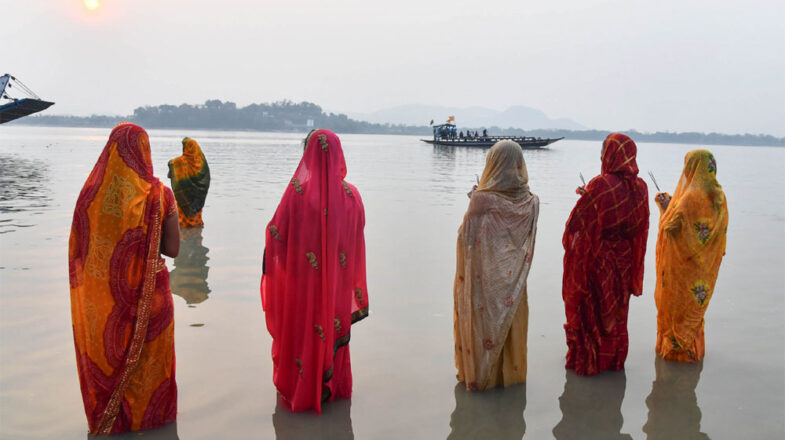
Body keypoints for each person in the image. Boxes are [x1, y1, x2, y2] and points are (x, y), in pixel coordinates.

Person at [68, 122, 180, 434]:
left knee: (110, 369)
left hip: (104, 308)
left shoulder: (90, 194)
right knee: (151, 374)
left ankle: (108, 426)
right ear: (144, 151)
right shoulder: (160, 195)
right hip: (153, 301)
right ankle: (154, 426)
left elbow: (79, 252)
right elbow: (173, 250)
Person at [261, 129, 369, 413]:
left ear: (307, 155)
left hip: (302, 290)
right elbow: (357, 241)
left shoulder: (296, 195)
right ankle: (334, 392)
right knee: (331, 335)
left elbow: (276, 237)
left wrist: (293, 274)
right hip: (337, 288)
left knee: (303, 338)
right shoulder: (353, 196)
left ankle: (302, 394)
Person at [454, 140, 539, 391]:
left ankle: (482, 379)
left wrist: (473, 201)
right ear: (518, 164)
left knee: (484, 326)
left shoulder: (482, 200)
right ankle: (509, 381)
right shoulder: (532, 201)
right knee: (508, 324)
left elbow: (467, 239)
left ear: (493, 163)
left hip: (485, 283)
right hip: (513, 285)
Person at [561, 133, 649, 376]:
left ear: (609, 155)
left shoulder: (600, 184)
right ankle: (613, 363)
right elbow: (639, 225)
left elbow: (577, 226)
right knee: (617, 313)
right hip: (624, 261)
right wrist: (590, 200)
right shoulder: (641, 187)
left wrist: (587, 198)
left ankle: (591, 362)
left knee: (594, 312)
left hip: (598, 261)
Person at [653, 150, 727, 362]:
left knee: (678, 312)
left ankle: (676, 357)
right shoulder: (720, 198)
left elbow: (670, 227)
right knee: (694, 313)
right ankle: (694, 354)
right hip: (704, 270)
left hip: (682, 269)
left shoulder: (690, 198)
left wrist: (665, 206)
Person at [168, 137, 210, 228]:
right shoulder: (202, 163)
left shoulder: (177, 162)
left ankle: (184, 231)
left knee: (181, 220)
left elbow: (169, 175)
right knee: (195, 218)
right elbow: (206, 180)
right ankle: (195, 228)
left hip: (182, 197)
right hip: (197, 198)